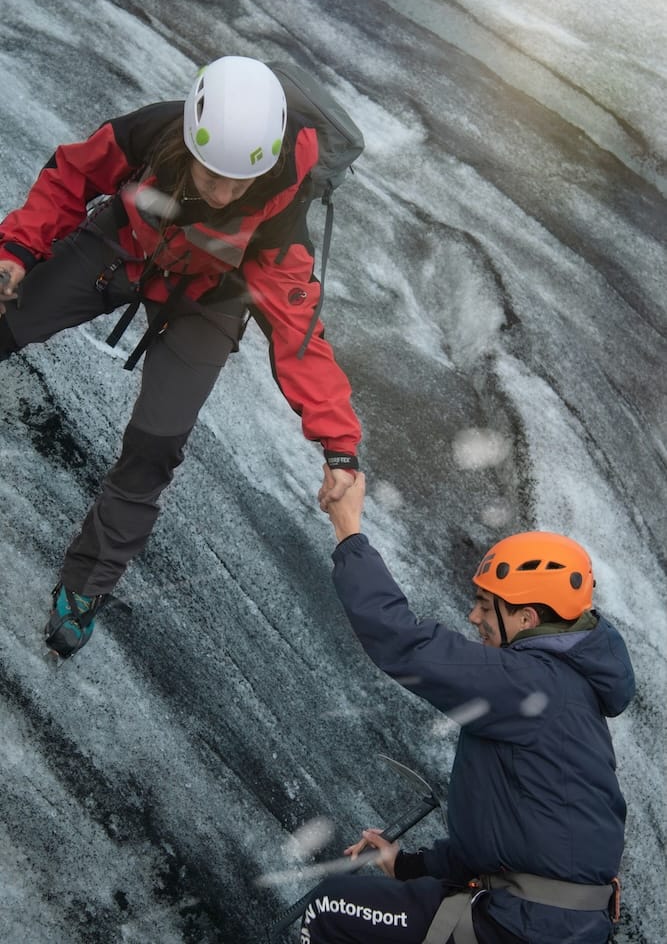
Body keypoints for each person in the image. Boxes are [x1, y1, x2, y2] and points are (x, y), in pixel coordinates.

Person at [0, 56, 361, 659]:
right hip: (124, 247)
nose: (221, 193)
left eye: (237, 182)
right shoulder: (151, 132)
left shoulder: (282, 213)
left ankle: (85, 586)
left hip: (208, 302)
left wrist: (340, 444)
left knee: (154, 445)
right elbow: (70, 177)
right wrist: (15, 250)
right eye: (211, 173)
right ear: (190, 135)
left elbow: (298, 333)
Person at [304, 471, 635, 943]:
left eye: (485, 605)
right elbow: (508, 840)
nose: (472, 616)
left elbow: (406, 644)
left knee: (330, 909)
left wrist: (348, 530)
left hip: (526, 925)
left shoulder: (530, 684)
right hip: (552, 923)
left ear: (526, 617)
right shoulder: (562, 692)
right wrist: (410, 865)